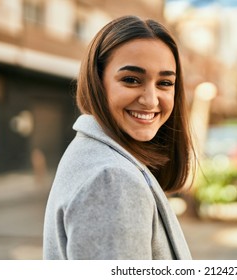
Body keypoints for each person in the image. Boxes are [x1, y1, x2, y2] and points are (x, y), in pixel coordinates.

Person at [43, 15, 195, 260]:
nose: (151, 99)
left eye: (165, 82)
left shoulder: (92, 154)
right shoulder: (112, 180)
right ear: (97, 82)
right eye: (131, 80)